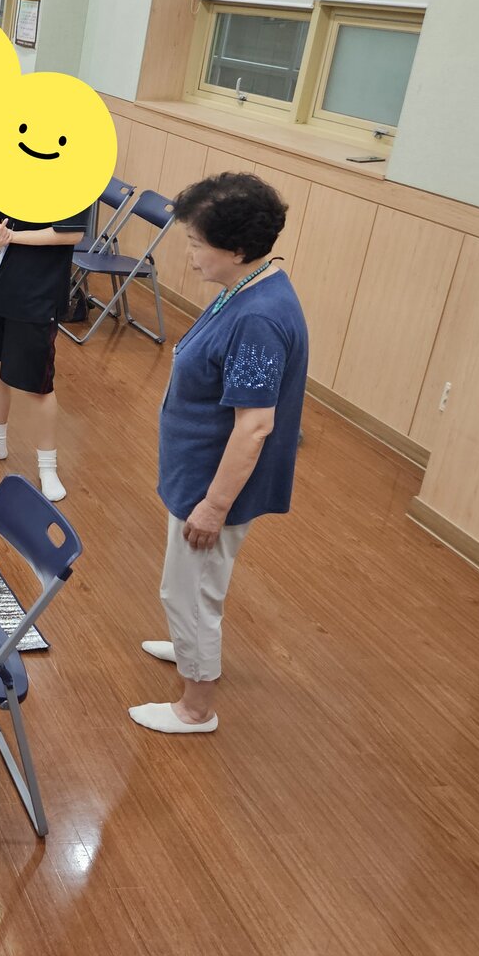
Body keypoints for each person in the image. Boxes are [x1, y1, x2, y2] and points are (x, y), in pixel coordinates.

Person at [131, 172, 307, 735]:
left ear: (236, 250)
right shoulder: (248, 287)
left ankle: (196, 707)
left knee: (188, 592)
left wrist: (213, 506)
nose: (189, 255)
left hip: (215, 482)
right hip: (199, 468)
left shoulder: (258, 317)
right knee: (192, 584)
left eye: (196, 243)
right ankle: (192, 648)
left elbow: (254, 427)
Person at [0, 200, 85, 502]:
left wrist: (11, 237)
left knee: (37, 384)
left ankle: (47, 466)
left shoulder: (70, 181)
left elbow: (71, 233)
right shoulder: (0, 179)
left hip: (37, 290)